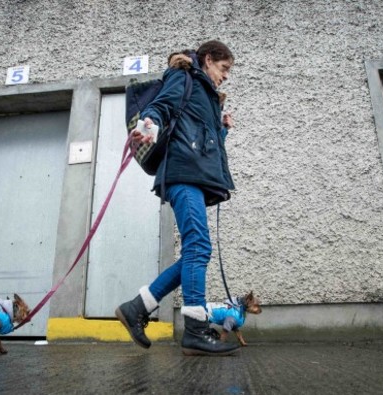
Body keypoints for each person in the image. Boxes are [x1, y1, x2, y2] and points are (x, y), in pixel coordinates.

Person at [116, 40, 238, 356]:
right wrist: (148, 127)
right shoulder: (183, 76)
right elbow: (161, 106)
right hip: (182, 174)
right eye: (223, 69)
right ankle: (196, 330)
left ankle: (136, 308)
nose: (225, 77)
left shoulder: (209, 96)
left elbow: (204, 141)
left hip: (194, 174)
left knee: (194, 253)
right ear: (208, 59)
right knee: (198, 247)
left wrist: (222, 129)